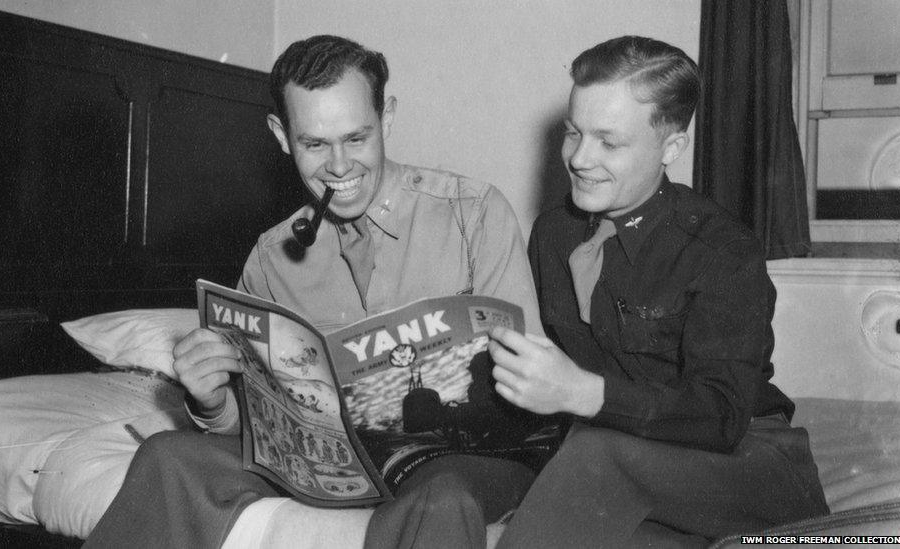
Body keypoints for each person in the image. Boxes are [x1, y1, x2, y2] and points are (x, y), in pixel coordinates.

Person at [85, 34, 543, 549]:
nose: (340, 166)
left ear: (386, 118)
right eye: (315, 144)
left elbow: (529, 395)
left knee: (442, 497)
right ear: (282, 136)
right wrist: (211, 400)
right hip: (330, 467)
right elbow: (255, 425)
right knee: (167, 455)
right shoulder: (270, 255)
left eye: (357, 138)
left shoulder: (474, 213)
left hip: (457, 461)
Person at [487, 35, 829, 548]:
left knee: (594, 457)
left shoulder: (723, 249)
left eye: (609, 141)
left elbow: (721, 416)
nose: (579, 158)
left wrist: (581, 392)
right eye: (573, 133)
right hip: (630, 457)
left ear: (671, 148)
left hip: (747, 459)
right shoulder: (553, 232)